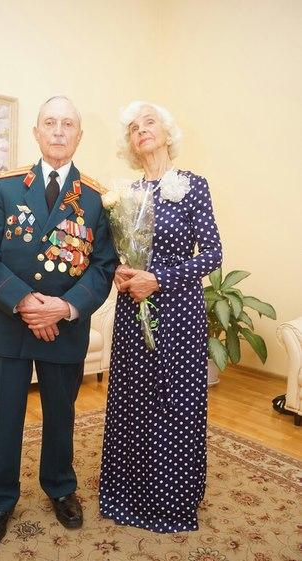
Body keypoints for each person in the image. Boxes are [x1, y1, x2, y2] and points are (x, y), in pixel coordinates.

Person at [0, 96, 116, 549]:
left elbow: (102, 267)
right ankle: (0, 499)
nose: (58, 131)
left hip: (64, 328)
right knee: (3, 416)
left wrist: (64, 308)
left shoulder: (97, 199)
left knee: (61, 415)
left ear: (79, 136)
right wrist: (25, 301)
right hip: (6, 325)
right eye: (50, 122)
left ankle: (60, 487)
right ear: (36, 132)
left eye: (67, 124)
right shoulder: (5, 187)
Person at [99, 101, 222, 533]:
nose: (141, 131)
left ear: (167, 133)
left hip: (179, 314)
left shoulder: (193, 186)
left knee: (175, 402)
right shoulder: (124, 195)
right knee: (133, 401)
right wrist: (120, 272)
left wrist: (159, 279)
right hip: (134, 312)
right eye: (133, 128)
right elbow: (120, 254)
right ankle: (127, 493)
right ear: (130, 144)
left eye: (149, 122)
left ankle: (171, 500)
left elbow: (212, 254)